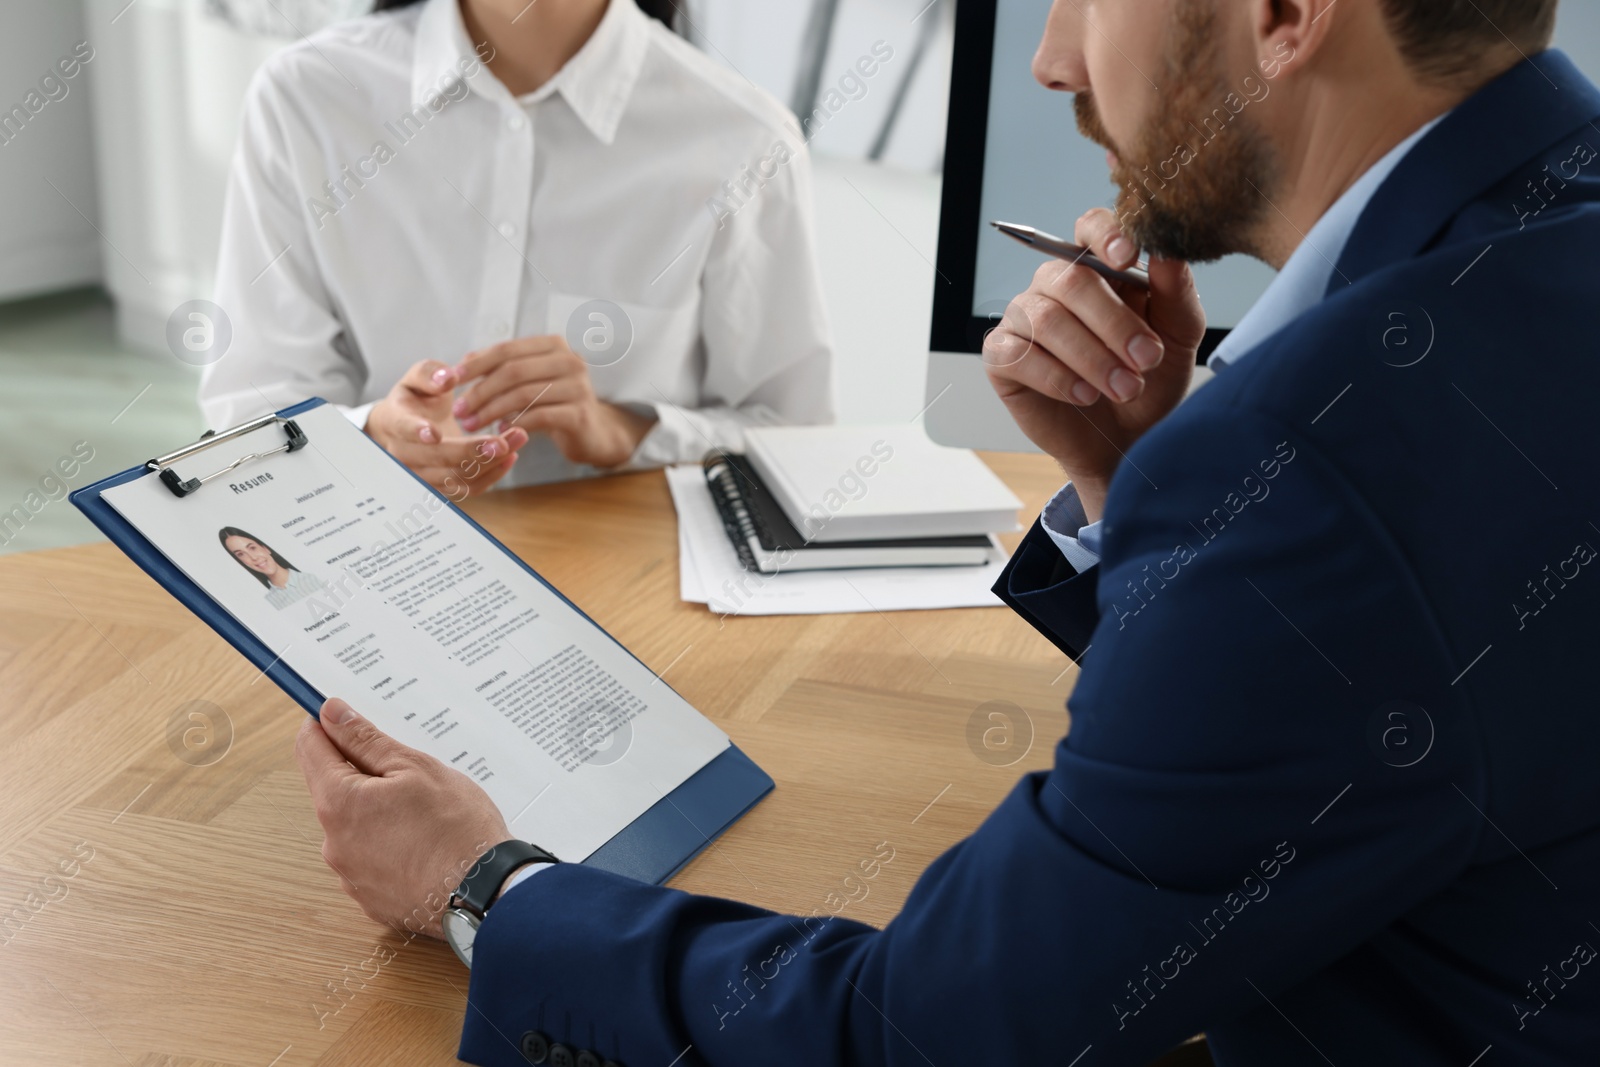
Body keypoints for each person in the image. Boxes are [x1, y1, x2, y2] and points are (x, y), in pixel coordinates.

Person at [294, 0, 1600, 1062]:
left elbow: (925, 1027)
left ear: (1286, 13)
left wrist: (489, 885)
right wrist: (1137, 474)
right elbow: (1381, 706)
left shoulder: (1317, 452)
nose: (1049, 59)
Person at [201, 0, 835, 496]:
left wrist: (624, 432)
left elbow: (796, 443)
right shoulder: (307, 98)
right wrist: (372, 434)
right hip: (371, 578)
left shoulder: (744, 141)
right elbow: (249, 417)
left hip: (629, 593)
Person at [218, 527, 327, 610]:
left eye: (252, 548)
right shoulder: (269, 601)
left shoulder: (312, 578)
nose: (253, 557)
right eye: (241, 554)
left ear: (265, 548)